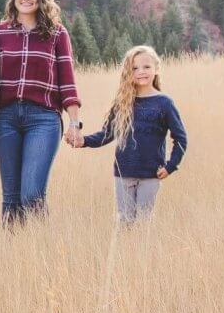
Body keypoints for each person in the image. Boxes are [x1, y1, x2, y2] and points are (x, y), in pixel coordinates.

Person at [0, 0, 84, 224]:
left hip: (43, 119)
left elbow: (67, 82)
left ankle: (42, 253)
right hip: (5, 118)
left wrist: (74, 123)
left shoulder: (57, 34)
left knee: (32, 195)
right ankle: (14, 260)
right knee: (11, 198)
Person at [79, 45, 188, 224]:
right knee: (125, 221)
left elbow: (181, 138)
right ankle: (126, 253)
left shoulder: (164, 103)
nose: (141, 72)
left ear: (156, 68)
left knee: (144, 222)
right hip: (124, 172)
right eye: (135, 68)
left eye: (146, 67)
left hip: (151, 174)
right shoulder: (123, 103)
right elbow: (107, 134)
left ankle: (142, 252)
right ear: (128, 72)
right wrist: (83, 141)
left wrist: (170, 166)